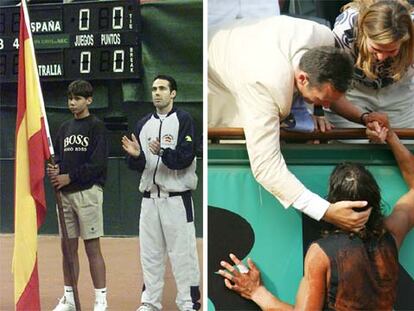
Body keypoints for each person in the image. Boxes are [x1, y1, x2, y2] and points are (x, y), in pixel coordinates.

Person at [208, 15, 383, 231]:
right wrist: (326, 211)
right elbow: (266, 168)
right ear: (302, 79)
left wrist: (363, 118)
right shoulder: (265, 85)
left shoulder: (323, 38)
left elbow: (331, 94)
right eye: (322, 101)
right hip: (215, 84)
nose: (326, 107)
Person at [217, 123, 414, 309]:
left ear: (334, 201)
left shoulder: (321, 254)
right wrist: (391, 137)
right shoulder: (392, 235)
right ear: (374, 201)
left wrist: (257, 293)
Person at [122, 75, 201, 311]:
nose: (157, 93)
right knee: (150, 254)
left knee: (183, 255)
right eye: (154, 89)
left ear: (173, 93)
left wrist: (164, 152)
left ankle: (188, 303)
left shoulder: (184, 120)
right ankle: (149, 302)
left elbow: (186, 157)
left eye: (162, 89)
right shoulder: (143, 123)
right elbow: (138, 165)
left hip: (176, 199)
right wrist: (136, 157)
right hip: (149, 200)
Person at [47, 80, 108, 311]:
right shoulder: (64, 128)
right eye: (70, 98)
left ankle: (100, 300)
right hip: (65, 196)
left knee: (92, 247)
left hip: (88, 193)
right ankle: (69, 298)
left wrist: (69, 177)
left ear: (89, 100)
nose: (73, 103)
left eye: (78, 99)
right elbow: (59, 158)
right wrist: (55, 169)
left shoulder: (96, 126)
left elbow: (98, 164)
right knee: (67, 249)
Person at [325, 0, 414, 131]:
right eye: (376, 49)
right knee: (352, 143)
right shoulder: (345, 30)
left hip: (400, 92)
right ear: (363, 33)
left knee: (405, 141)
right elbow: (330, 89)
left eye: (391, 50)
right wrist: (364, 118)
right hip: (352, 89)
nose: (381, 57)